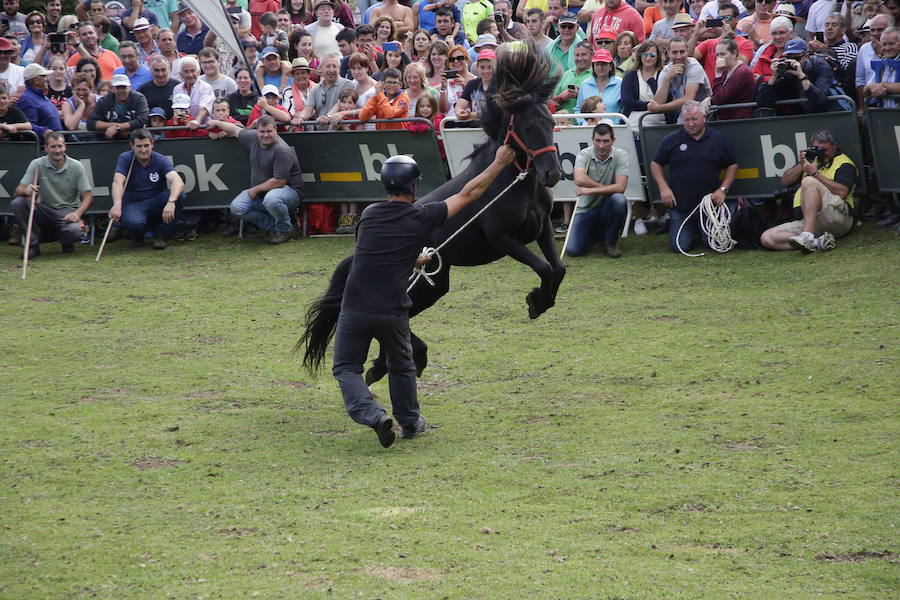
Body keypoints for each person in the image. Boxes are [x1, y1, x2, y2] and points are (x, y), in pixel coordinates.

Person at [332, 145, 516, 448]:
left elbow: (377, 251)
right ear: (415, 186)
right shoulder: (422, 215)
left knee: (346, 368)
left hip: (354, 307)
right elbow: (470, 193)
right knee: (402, 365)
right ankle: (409, 422)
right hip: (392, 310)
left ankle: (374, 415)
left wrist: (411, 259)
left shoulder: (369, 214)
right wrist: (498, 163)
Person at [650, 101, 738, 253]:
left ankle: (705, 229)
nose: (691, 124)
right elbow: (655, 164)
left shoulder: (718, 139)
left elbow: (732, 165)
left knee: (712, 244)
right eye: (687, 120)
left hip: (709, 207)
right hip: (681, 207)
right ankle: (691, 229)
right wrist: (663, 188)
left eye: (694, 119)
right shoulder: (672, 139)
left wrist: (723, 189)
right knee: (680, 247)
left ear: (704, 118)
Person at [205, 114, 304, 244]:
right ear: (257, 131)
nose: (265, 135)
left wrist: (255, 189)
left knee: (272, 199)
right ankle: (273, 227)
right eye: (262, 132)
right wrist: (216, 123)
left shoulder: (282, 150)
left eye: (269, 131)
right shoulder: (253, 138)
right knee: (237, 207)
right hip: (263, 194)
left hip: (290, 192)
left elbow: (279, 181)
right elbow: (234, 130)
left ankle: (284, 231)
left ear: (275, 130)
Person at [760, 129, 856, 252]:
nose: (821, 154)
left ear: (834, 146)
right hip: (809, 221)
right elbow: (785, 181)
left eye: (825, 150)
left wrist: (815, 174)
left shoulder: (844, 163)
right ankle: (817, 243)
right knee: (767, 238)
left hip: (837, 217)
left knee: (808, 181)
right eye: (817, 149)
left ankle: (807, 236)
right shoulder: (810, 161)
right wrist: (802, 165)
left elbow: (842, 192)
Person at [12, 131, 92, 259]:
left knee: (77, 231)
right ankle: (32, 246)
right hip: (43, 209)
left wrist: (77, 213)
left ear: (65, 147)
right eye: (53, 147)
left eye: (60, 146)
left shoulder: (77, 166)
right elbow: (18, 191)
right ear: (46, 148)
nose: (57, 150)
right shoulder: (37, 164)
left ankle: (66, 242)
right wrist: (26, 191)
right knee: (18, 202)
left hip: (67, 211)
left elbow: (88, 196)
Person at [108, 128, 185, 249]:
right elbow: (118, 181)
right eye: (139, 146)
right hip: (133, 203)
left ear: (152, 143)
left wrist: (171, 201)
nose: (143, 150)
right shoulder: (125, 158)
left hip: (155, 201)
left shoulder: (160, 159)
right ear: (132, 145)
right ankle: (137, 236)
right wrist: (117, 204)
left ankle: (161, 235)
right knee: (135, 222)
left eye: (146, 145)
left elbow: (177, 181)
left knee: (179, 195)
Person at [565, 123, 628, 258]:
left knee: (619, 200)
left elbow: (621, 187)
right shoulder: (584, 154)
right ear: (592, 140)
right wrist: (605, 189)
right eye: (598, 141)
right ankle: (600, 235)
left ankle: (610, 242)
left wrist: (590, 190)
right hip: (585, 209)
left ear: (613, 140)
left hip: (607, 205)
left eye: (606, 141)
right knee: (573, 250)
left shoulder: (620, 155)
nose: (601, 146)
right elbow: (579, 179)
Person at [757, 38, 840, 113]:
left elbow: (819, 99)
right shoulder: (786, 69)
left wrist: (801, 76)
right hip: (799, 115)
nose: (793, 62)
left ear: (806, 56)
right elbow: (763, 101)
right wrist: (774, 77)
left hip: (827, 113)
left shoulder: (820, 65)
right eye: (789, 58)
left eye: (796, 59)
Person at [648, 35, 712, 122]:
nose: (679, 57)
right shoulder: (666, 70)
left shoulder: (694, 66)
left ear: (687, 51)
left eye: (682, 52)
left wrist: (659, 108)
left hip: (704, 115)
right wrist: (667, 78)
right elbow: (659, 101)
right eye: (674, 52)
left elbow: (688, 99)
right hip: (684, 116)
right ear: (668, 53)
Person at [690, 2, 754, 83]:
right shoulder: (709, 43)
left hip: (733, 87)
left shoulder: (745, 43)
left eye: (727, 18)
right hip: (711, 89)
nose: (724, 21)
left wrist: (730, 38)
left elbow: (743, 63)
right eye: (720, 18)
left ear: (737, 19)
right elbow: (689, 57)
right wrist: (695, 35)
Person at [294, 52, 353, 129]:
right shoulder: (316, 88)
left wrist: (328, 117)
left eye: (334, 66)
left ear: (339, 68)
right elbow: (308, 109)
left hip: (341, 132)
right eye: (328, 66)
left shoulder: (347, 84)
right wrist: (300, 118)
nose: (331, 70)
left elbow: (340, 105)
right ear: (321, 68)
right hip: (321, 133)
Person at [88, 73, 150, 139]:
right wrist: (115, 126)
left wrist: (118, 128)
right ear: (112, 88)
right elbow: (91, 123)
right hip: (110, 140)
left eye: (124, 87)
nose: (121, 91)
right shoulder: (104, 100)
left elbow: (142, 120)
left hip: (135, 139)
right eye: (118, 87)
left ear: (129, 87)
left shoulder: (138, 98)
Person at [708, 37, 755, 119]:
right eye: (717, 55)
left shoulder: (742, 72)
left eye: (723, 54)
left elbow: (720, 99)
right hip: (727, 118)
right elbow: (717, 95)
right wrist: (709, 99)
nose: (719, 58)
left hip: (739, 119)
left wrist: (718, 75)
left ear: (734, 53)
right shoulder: (726, 70)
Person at [16, 62, 62, 137]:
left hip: (57, 140)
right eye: (44, 76)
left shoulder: (43, 96)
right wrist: (43, 131)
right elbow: (29, 125)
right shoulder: (27, 99)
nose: (47, 79)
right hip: (44, 143)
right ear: (36, 80)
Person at [574, 48, 623, 116]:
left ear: (610, 66)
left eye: (604, 64)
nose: (600, 67)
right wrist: (583, 121)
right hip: (589, 123)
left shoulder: (620, 83)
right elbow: (578, 109)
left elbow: (626, 109)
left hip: (613, 123)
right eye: (597, 64)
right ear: (593, 66)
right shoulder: (585, 84)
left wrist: (618, 121)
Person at [551, 40, 593, 113]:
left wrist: (580, 96)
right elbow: (551, 103)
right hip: (562, 120)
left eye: (583, 55)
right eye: (577, 55)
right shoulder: (567, 74)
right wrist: (561, 97)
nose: (580, 58)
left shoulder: (596, 75)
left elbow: (601, 105)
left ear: (592, 55)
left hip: (585, 120)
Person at [455, 47, 494, 122]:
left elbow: (492, 111)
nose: (486, 71)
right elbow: (459, 105)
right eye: (482, 67)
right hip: (475, 126)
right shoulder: (472, 84)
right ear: (477, 67)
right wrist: (460, 112)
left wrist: (471, 115)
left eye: (489, 67)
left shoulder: (500, 84)